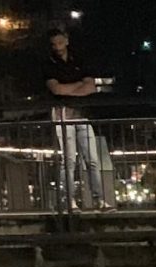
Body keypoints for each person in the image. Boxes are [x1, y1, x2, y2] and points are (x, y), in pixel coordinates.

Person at [43, 28, 111, 211]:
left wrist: (69, 88)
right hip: (62, 115)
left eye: (59, 43)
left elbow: (88, 87)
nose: (57, 47)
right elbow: (57, 90)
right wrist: (79, 86)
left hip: (81, 113)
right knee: (69, 160)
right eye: (54, 44)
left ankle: (98, 200)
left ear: (66, 41)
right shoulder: (49, 64)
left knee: (91, 159)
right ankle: (69, 201)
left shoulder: (78, 59)